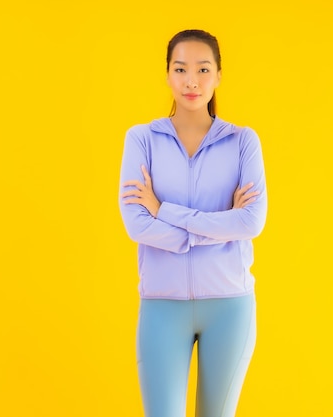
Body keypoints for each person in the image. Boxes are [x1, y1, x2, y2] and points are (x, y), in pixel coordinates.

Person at [118, 29, 267, 417]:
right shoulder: (141, 140)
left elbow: (251, 220)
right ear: (167, 73)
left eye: (203, 69)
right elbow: (136, 223)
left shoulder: (243, 142)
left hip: (230, 306)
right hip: (162, 306)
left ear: (218, 75)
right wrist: (217, 226)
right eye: (181, 68)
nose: (191, 80)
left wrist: (163, 209)